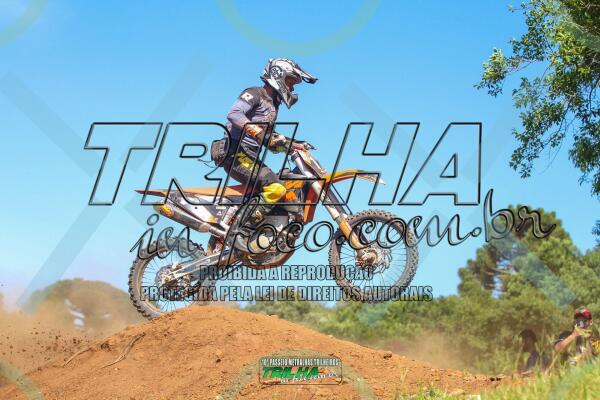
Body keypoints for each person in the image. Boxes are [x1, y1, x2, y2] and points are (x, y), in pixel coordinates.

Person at [210, 58, 317, 225]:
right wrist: (260, 133)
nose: (292, 88)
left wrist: (294, 144)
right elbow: (234, 114)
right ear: (278, 76)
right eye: (290, 82)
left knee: (285, 186)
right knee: (276, 188)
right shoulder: (255, 93)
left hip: (249, 156)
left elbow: (270, 139)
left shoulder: (273, 104)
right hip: (235, 152)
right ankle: (242, 228)